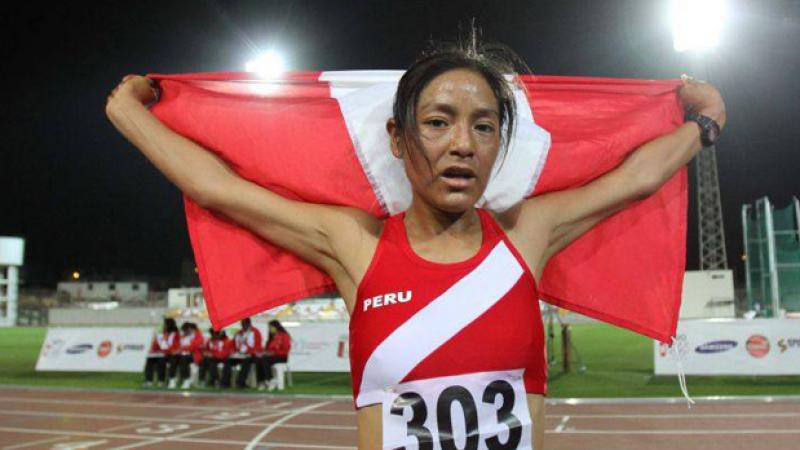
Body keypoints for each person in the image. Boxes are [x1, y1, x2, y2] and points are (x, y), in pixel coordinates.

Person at [106, 37, 725, 449]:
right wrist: (127, 112)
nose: (463, 145)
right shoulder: (355, 245)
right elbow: (218, 189)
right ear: (398, 140)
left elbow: (637, 178)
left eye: (484, 126)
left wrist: (707, 122)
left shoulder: (527, 234)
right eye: (437, 122)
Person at [222, 317, 266, 389]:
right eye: (242, 324)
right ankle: (225, 383)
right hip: (239, 355)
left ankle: (240, 382)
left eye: (244, 324)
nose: (243, 326)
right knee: (228, 361)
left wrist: (249, 352)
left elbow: (258, 346)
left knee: (246, 361)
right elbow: (232, 344)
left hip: (250, 355)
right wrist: (232, 351)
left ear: (248, 324)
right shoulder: (238, 333)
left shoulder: (255, 332)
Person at [143, 317, 179, 387]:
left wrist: (166, 348)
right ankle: (149, 380)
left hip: (170, 354)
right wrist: (154, 349)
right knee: (150, 359)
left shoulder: (175, 334)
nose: (164, 325)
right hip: (161, 352)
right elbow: (157, 344)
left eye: (165, 324)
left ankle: (161, 381)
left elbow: (175, 346)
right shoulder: (163, 333)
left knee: (161, 360)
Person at [170, 321, 204, 389]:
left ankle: (186, 379)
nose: (185, 332)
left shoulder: (198, 335)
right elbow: (177, 346)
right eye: (184, 331)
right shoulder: (182, 337)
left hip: (193, 355)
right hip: (182, 354)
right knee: (173, 359)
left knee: (184, 359)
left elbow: (193, 347)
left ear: (190, 329)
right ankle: (172, 379)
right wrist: (177, 351)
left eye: (186, 330)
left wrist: (182, 349)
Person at [263, 320, 291, 390]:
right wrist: (265, 352)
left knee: (265, 359)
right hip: (272, 356)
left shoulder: (284, 335)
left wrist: (273, 353)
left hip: (282, 357)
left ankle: (270, 380)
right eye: (269, 327)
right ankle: (263, 380)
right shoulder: (271, 337)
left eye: (271, 327)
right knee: (259, 359)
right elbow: (268, 349)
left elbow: (285, 350)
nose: (269, 329)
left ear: (276, 327)